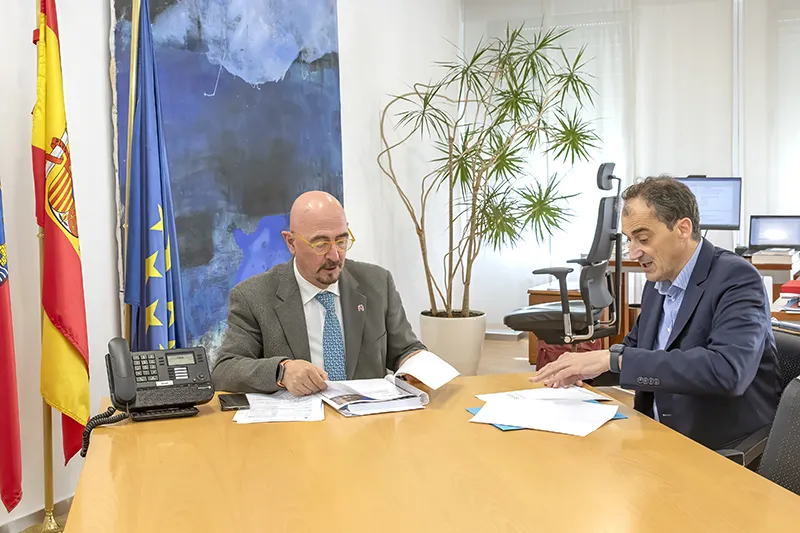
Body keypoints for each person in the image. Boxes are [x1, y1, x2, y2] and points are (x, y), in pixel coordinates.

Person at [530, 176, 782, 449]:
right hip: (657, 435)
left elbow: (727, 371)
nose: (634, 252)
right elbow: (636, 352)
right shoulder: (658, 282)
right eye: (629, 240)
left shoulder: (737, 278)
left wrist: (614, 360)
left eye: (643, 238)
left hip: (718, 447)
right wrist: (584, 370)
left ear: (683, 228)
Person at [211, 191, 425, 396]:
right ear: (291, 242)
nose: (334, 255)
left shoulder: (378, 283)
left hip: (368, 422)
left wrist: (416, 363)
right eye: (320, 244)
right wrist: (282, 371)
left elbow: (405, 350)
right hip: (298, 428)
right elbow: (225, 370)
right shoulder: (254, 296)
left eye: (341, 241)